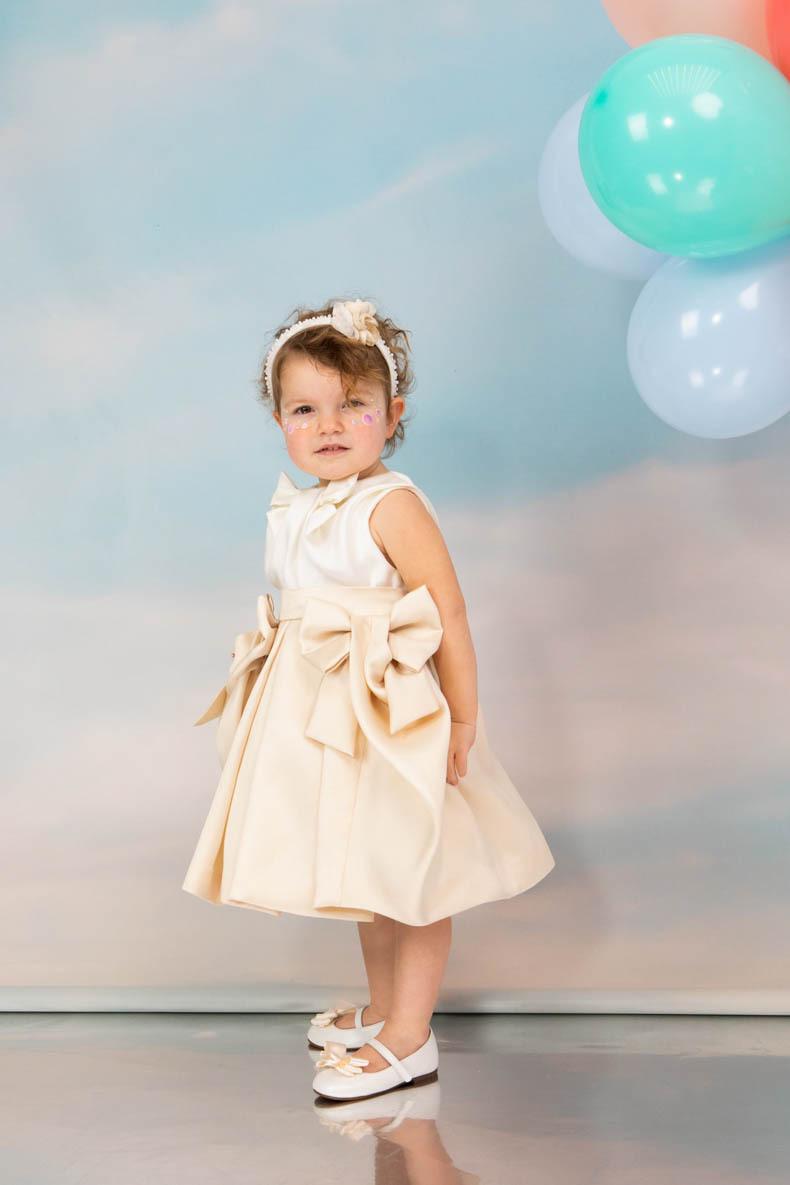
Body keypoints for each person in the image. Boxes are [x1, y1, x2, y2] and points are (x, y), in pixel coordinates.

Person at [182, 297, 556, 1102]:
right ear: (279, 420)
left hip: (387, 714)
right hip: (322, 720)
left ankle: (410, 1036)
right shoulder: (300, 505)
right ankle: (387, 1007)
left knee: (410, 867)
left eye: (353, 404)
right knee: (366, 867)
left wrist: (463, 715)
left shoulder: (391, 504)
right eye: (304, 409)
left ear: (393, 414)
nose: (329, 425)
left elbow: (448, 610)